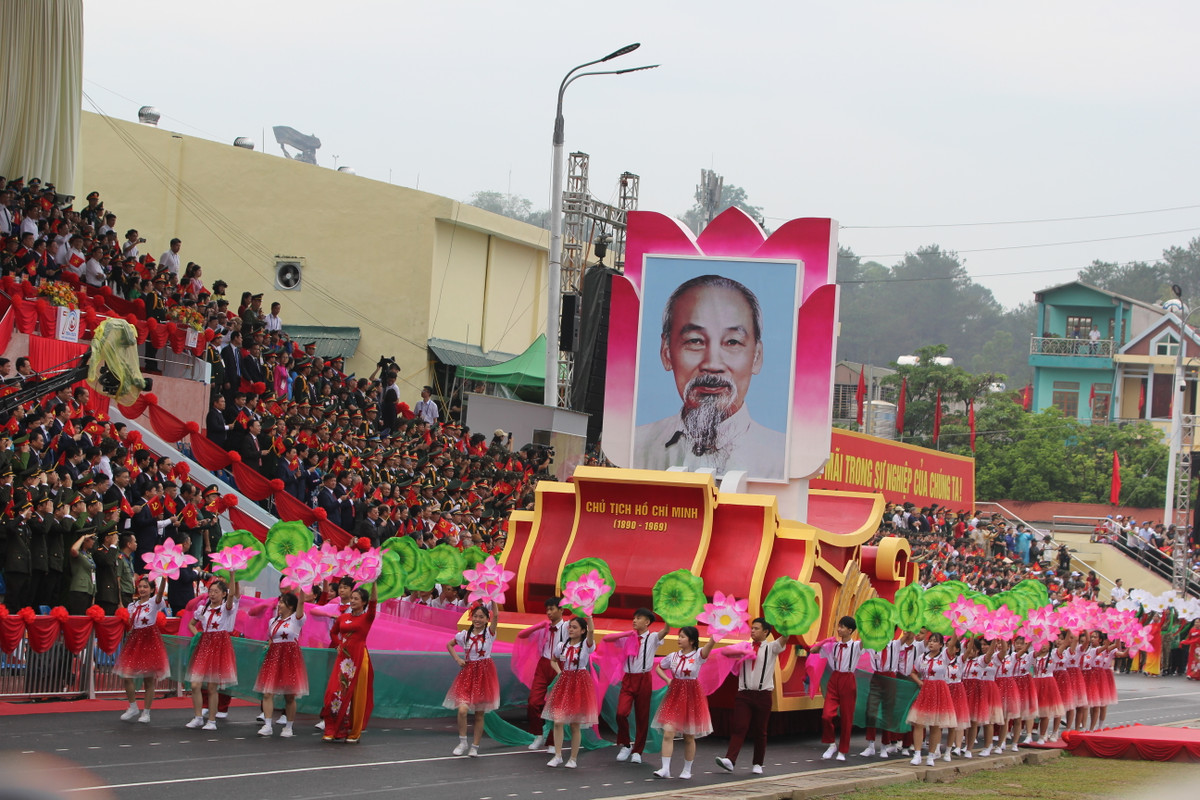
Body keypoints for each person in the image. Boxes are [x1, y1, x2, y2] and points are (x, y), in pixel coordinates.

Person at [632, 274, 786, 479]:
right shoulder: (637, 446)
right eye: (695, 341)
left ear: (757, 356)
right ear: (666, 351)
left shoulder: (781, 459)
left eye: (732, 342)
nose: (712, 365)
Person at [715, 617, 791, 775]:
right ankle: (730, 759)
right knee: (739, 727)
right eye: (752, 628)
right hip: (744, 694)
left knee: (760, 730)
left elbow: (785, 637)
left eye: (757, 628)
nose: (753, 631)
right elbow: (724, 651)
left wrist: (787, 624)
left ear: (765, 632)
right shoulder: (745, 645)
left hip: (763, 695)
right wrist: (742, 652)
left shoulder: (772, 648)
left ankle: (758, 763)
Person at [651, 625, 722, 779]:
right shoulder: (673, 656)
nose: (679, 639)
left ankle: (687, 769)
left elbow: (710, 645)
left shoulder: (698, 655)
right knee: (668, 731)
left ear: (691, 640)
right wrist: (668, 680)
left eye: (683, 636)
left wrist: (718, 633)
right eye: (679, 636)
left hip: (691, 695)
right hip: (674, 694)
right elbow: (659, 667)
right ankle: (665, 768)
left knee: (688, 736)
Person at [603, 607, 669, 764]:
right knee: (621, 713)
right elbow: (608, 639)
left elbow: (665, 630)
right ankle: (625, 745)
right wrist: (627, 634)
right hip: (628, 679)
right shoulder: (628, 638)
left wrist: (668, 616)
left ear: (647, 622)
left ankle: (638, 751)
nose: (634, 620)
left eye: (638, 618)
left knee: (642, 716)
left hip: (644, 679)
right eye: (634, 617)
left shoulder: (652, 637)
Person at [321, 583, 378, 743]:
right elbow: (333, 633)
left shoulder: (367, 617)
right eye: (351, 598)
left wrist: (374, 583)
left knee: (356, 696)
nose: (352, 601)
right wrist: (339, 643)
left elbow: (374, 602)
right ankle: (332, 729)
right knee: (334, 693)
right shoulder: (343, 617)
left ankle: (353, 732)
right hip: (343, 661)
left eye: (356, 599)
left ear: (364, 602)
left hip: (359, 659)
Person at [543, 612, 598, 770]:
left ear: (582, 631)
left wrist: (589, 617)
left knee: (575, 724)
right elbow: (553, 660)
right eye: (570, 627)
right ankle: (558, 755)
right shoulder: (562, 646)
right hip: (564, 682)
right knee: (558, 721)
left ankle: (573, 758)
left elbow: (592, 632)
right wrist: (560, 672)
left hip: (579, 683)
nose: (571, 630)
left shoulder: (586, 646)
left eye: (574, 627)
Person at [445, 601, 500, 757]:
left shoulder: (489, 633)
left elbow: (496, 614)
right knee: (462, 710)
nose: (477, 619)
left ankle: (475, 746)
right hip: (468, 673)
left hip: (484, 675)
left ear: (486, 619)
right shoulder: (464, 635)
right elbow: (449, 645)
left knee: (479, 714)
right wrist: (458, 659)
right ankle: (462, 742)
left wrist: (493, 597)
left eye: (481, 617)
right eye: (475, 616)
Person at [185, 578, 240, 730]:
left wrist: (232, 573)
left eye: (216, 592)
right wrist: (198, 635)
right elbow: (191, 624)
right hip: (204, 645)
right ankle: (198, 717)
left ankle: (211, 721)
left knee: (211, 687)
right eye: (210, 591)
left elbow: (232, 595)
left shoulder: (226, 608)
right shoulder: (203, 609)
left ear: (223, 594)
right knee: (195, 684)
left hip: (218, 646)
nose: (212, 594)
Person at [516, 596, 570, 753]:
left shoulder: (567, 627)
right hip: (544, 664)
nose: (549, 612)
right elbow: (522, 635)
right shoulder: (544, 627)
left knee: (555, 705)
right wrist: (538, 626)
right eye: (547, 610)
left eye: (552, 609)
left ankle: (552, 742)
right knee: (533, 701)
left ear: (561, 610)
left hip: (560, 665)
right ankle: (538, 734)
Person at [114, 576, 171, 724]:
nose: (142, 589)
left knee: (148, 678)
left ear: (152, 589)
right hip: (135, 640)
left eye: (146, 587)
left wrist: (164, 578)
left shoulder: (154, 602)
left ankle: (146, 712)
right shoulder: (131, 605)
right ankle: (133, 706)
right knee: (127, 675)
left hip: (150, 639)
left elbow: (160, 595)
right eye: (140, 586)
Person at [254, 592, 307, 738]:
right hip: (274, 657)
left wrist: (303, 587)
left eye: (282, 602)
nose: (279, 604)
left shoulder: (296, 619)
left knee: (289, 696)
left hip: (290, 658)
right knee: (267, 692)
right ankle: (268, 725)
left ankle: (288, 727)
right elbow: (271, 639)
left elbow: (301, 604)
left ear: (290, 606)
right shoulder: (273, 621)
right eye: (279, 601)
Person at [813, 615, 862, 761]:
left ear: (850, 630)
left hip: (848, 679)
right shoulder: (833, 645)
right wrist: (824, 642)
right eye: (839, 626)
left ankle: (843, 750)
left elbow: (866, 642)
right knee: (826, 715)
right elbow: (814, 651)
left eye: (842, 627)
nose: (839, 629)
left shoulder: (857, 646)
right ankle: (831, 744)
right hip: (834, 679)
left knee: (847, 717)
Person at [907, 632, 956, 766]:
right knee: (918, 722)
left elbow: (952, 645)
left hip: (939, 691)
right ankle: (917, 754)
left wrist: (957, 629)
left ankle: (931, 755)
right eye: (930, 641)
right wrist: (920, 682)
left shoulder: (945, 656)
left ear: (941, 645)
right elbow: (912, 672)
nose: (931, 643)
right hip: (925, 690)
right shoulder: (922, 657)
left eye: (935, 641)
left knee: (935, 725)